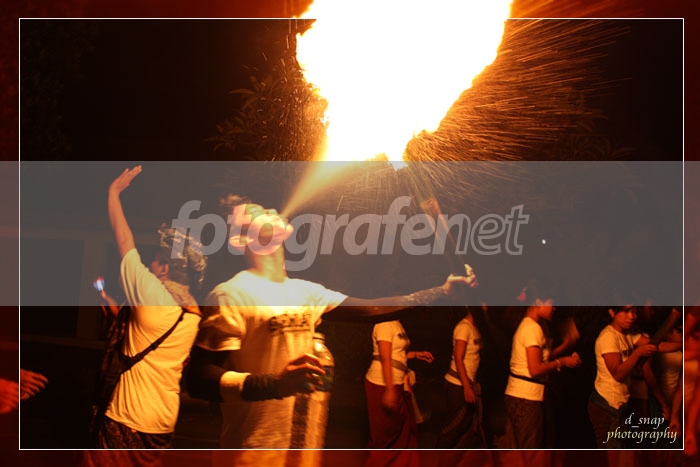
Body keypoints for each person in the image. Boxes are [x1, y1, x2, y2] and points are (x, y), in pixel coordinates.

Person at [186, 194, 478, 455]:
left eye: (267, 206)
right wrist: (275, 384)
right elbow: (198, 379)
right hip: (253, 453)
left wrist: (442, 291)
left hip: (305, 451)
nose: (271, 210)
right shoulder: (232, 294)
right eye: (256, 211)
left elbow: (373, 308)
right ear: (239, 239)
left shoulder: (305, 292)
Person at [89, 166, 207, 449]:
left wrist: (113, 193)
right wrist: (118, 314)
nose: (150, 265)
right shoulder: (193, 315)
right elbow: (153, 340)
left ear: (165, 267)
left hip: (125, 419)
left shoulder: (151, 293)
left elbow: (123, 239)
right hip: (162, 425)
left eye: (154, 260)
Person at [503, 281, 581, 449]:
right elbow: (535, 369)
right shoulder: (532, 329)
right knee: (531, 451)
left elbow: (541, 358)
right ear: (538, 302)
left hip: (522, 396)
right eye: (551, 302)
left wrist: (565, 347)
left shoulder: (534, 326)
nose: (554, 307)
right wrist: (562, 362)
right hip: (526, 397)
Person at [587, 304, 659, 448]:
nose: (631, 316)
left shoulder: (628, 334)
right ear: (612, 312)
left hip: (619, 405)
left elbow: (655, 345)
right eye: (626, 311)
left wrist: (683, 342)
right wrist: (637, 353)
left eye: (634, 312)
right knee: (613, 454)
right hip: (606, 405)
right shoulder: (608, 337)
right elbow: (617, 374)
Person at [364, 319, 433, 466]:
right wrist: (389, 389)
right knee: (385, 435)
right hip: (381, 383)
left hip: (399, 382)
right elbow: (385, 357)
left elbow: (397, 353)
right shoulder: (384, 324)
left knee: (405, 430)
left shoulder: (398, 323)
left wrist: (414, 355)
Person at [436, 306, 486, 449]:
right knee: (454, 426)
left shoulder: (474, 327)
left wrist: (474, 382)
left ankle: (455, 457)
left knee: (466, 426)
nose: (486, 307)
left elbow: (473, 358)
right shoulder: (463, 328)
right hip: (457, 384)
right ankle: (438, 455)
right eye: (483, 303)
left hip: (468, 382)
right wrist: (467, 387)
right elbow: (458, 358)